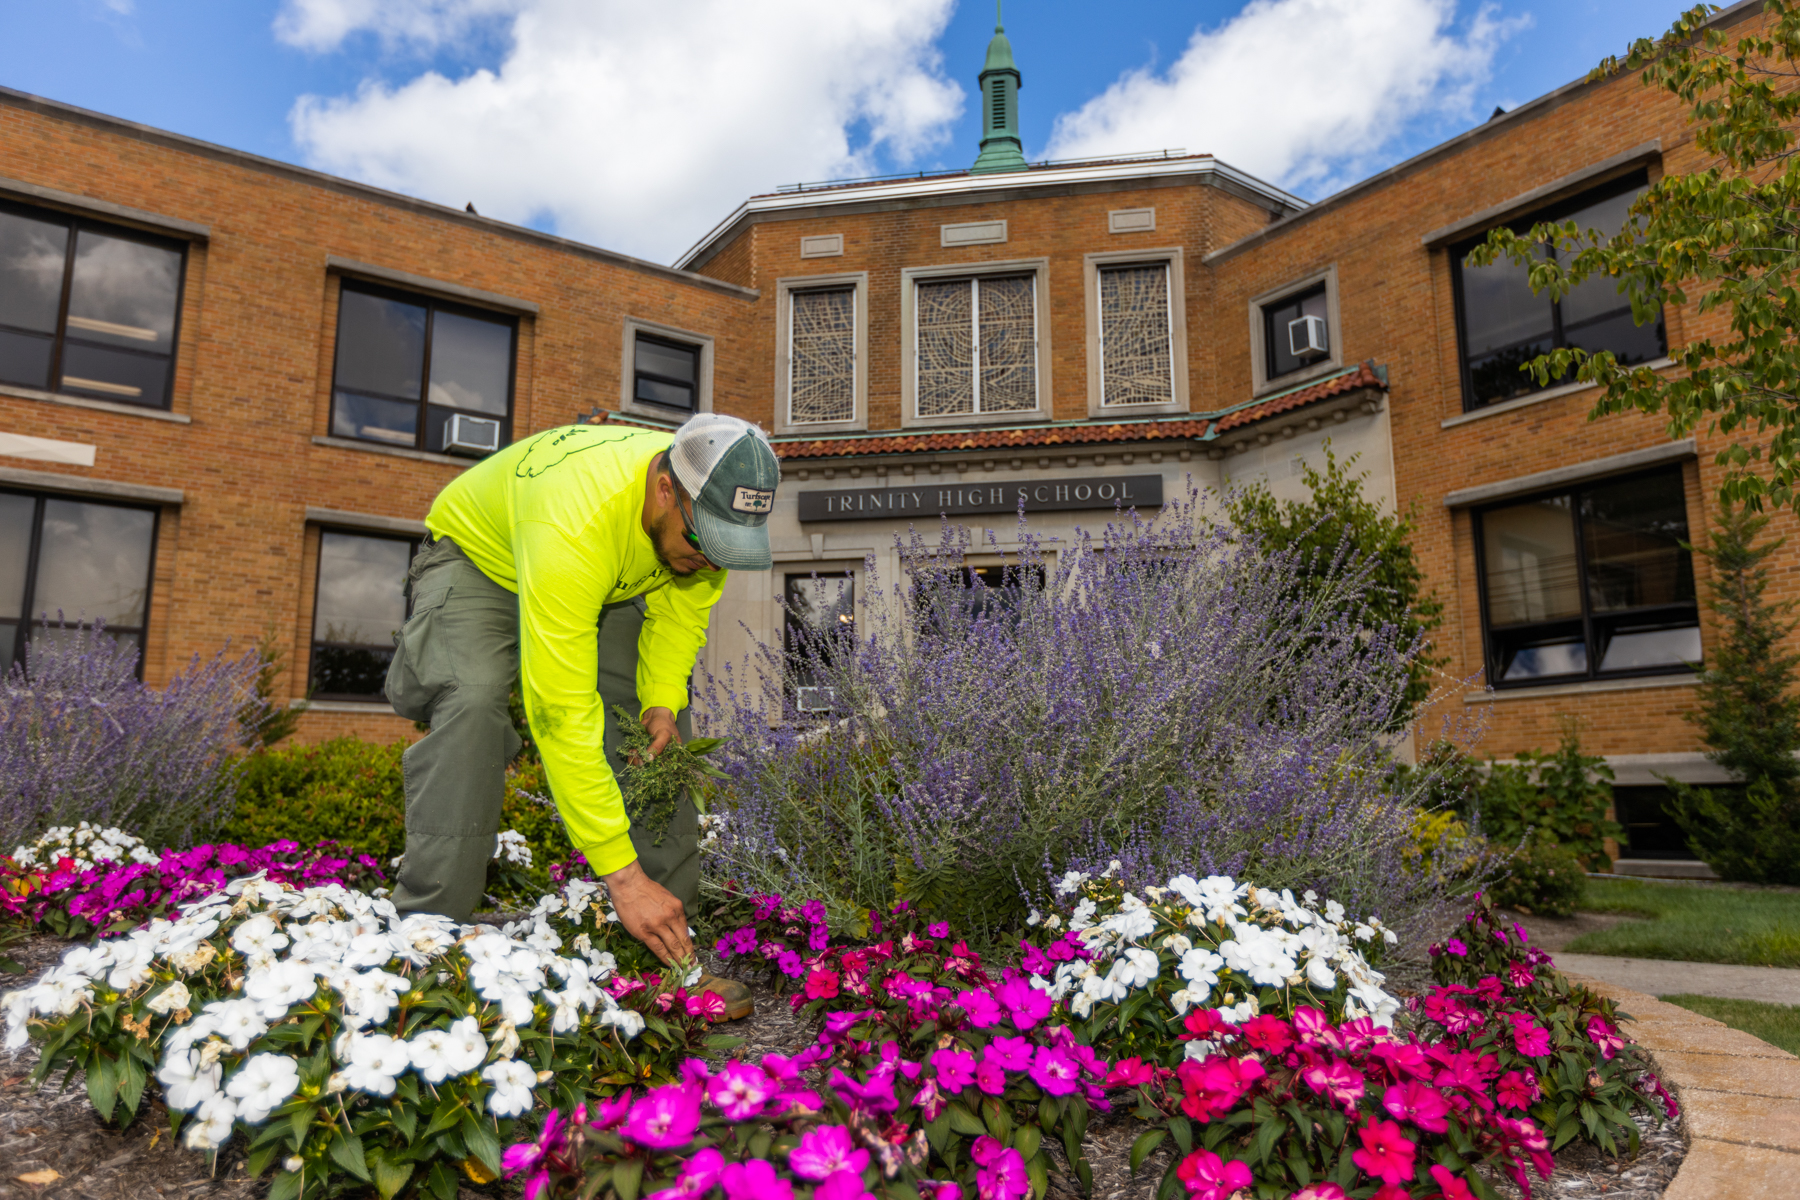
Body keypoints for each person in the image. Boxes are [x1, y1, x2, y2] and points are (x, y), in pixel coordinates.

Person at [382, 413, 778, 1019]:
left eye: (729, 546)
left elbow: (681, 616)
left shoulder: (701, 526)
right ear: (666, 490)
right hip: (481, 558)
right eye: (704, 542)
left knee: (654, 738)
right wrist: (621, 876)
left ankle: (672, 949)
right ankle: (425, 939)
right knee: (476, 701)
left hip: (608, 577)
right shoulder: (577, 518)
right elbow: (562, 715)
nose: (711, 559)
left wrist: (661, 701)